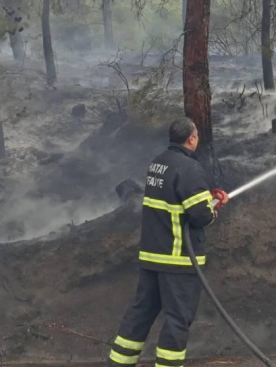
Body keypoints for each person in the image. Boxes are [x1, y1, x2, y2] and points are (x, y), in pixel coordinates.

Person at [108, 118, 229, 367]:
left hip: (153, 256)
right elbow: (200, 216)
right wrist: (214, 208)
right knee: (177, 320)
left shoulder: (158, 163)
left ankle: (118, 363)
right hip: (177, 259)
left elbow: (174, 201)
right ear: (192, 138)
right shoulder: (189, 168)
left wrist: (207, 197)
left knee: (140, 314)